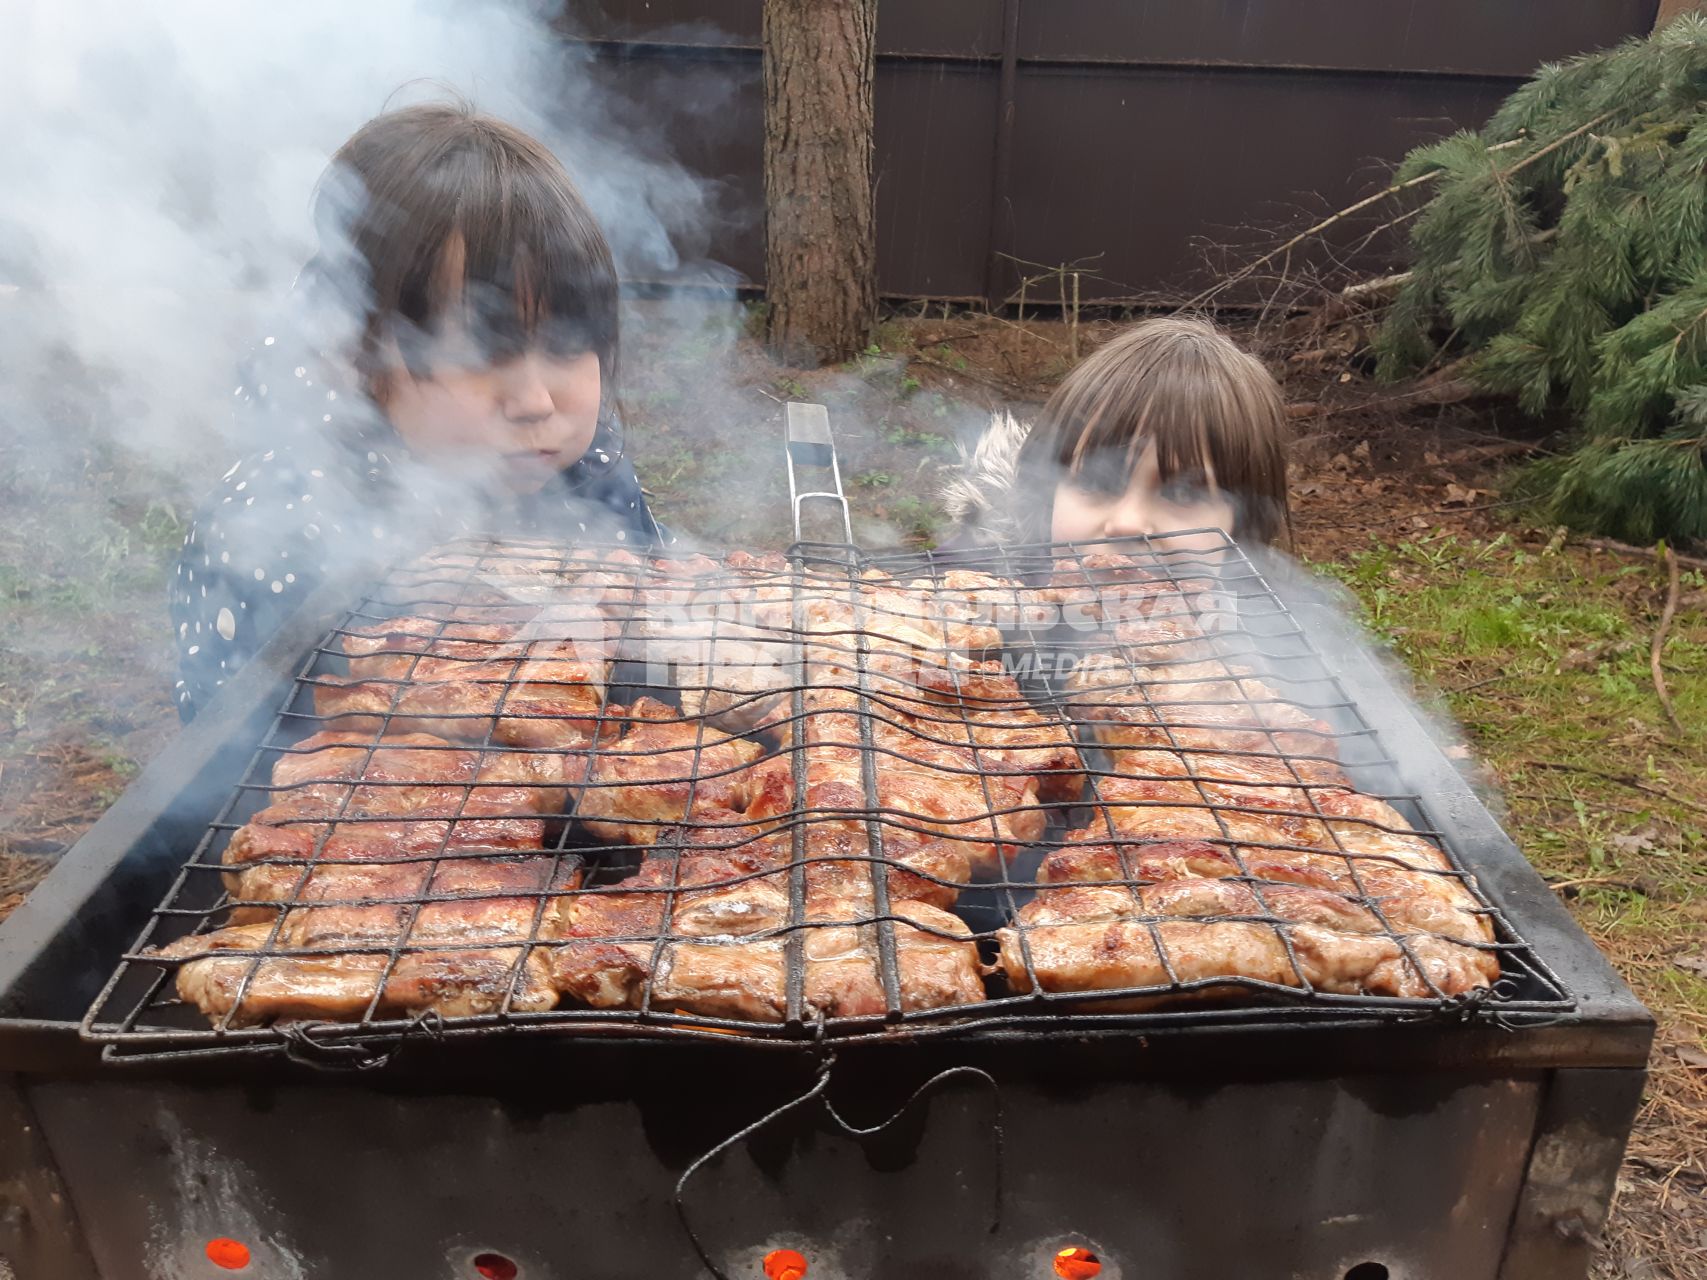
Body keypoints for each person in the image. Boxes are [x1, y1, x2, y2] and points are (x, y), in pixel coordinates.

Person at [169, 102, 669, 721]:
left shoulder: (590, 471)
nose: (536, 402)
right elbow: (228, 775)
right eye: (484, 351)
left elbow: (655, 646)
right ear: (354, 351)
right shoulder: (272, 526)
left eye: (569, 343)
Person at [939, 315, 1290, 557]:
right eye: (1098, 482)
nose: (1128, 524)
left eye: (1183, 493)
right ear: (1046, 497)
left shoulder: (1279, 652)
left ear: (1243, 529)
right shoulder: (951, 619)